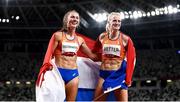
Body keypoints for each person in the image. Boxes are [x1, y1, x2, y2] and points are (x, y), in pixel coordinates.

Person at [36, 10, 96, 101]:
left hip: (73, 74)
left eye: (77, 18)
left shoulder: (80, 40)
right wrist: (46, 69)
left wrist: (108, 56)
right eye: (72, 17)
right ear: (66, 20)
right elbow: (49, 54)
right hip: (58, 74)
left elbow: (93, 57)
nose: (75, 19)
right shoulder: (58, 36)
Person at [92, 12, 136, 101]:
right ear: (109, 22)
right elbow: (94, 51)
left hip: (117, 75)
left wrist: (128, 78)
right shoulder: (102, 37)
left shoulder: (125, 39)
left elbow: (132, 59)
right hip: (103, 74)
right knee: (97, 100)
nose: (117, 23)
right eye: (114, 20)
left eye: (119, 21)